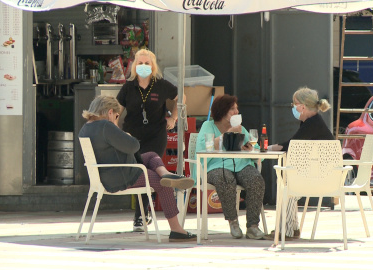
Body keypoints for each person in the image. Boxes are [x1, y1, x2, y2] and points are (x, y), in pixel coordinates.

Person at [79, 95, 196, 242]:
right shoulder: (106, 126)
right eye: (116, 116)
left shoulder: (85, 128)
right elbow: (133, 146)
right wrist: (122, 132)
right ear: (110, 112)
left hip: (105, 174)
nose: (116, 119)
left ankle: (165, 173)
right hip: (122, 175)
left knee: (151, 155)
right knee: (163, 185)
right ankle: (176, 230)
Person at [117, 49, 186, 232]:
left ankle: (141, 215)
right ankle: (143, 211)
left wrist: (174, 118)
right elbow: (116, 110)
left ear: (153, 66)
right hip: (132, 136)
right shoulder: (128, 87)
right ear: (134, 66)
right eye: (140, 63)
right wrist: (115, 130)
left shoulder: (161, 85)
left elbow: (182, 97)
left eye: (147, 63)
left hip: (156, 135)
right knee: (139, 171)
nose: (144, 66)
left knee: (149, 169)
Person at [267, 87, 334, 240]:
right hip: (327, 174)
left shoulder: (311, 123)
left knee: (287, 184)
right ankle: (292, 228)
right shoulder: (312, 122)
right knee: (287, 180)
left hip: (321, 177)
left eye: (294, 104)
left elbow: (292, 145)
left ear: (302, 107)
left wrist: (269, 148)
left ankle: (287, 230)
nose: (293, 107)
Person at [196, 94, 266, 240]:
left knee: (255, 179)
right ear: (222, 111)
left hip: (241, 164)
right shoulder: (207, 126)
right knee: (225, 178)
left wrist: (250, 149)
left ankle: (253, 226)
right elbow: (203, 148)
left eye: (237, 109)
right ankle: (233, 222)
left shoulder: (241, 128)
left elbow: (258, 151)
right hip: (216, 166)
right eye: (232, 109)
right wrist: (227, 133)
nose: (236, 112)